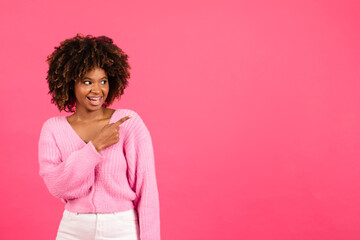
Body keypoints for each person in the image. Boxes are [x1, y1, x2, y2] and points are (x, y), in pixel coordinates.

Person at [38, 33, 160, 240]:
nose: (97, 89)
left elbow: (147, 190)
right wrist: (95, 147)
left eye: (103, 81)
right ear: (70, 84)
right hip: (73, 228)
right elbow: (58, 187)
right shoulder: (53, 129)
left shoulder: (129, 122)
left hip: (121, 227)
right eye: (87, 82)